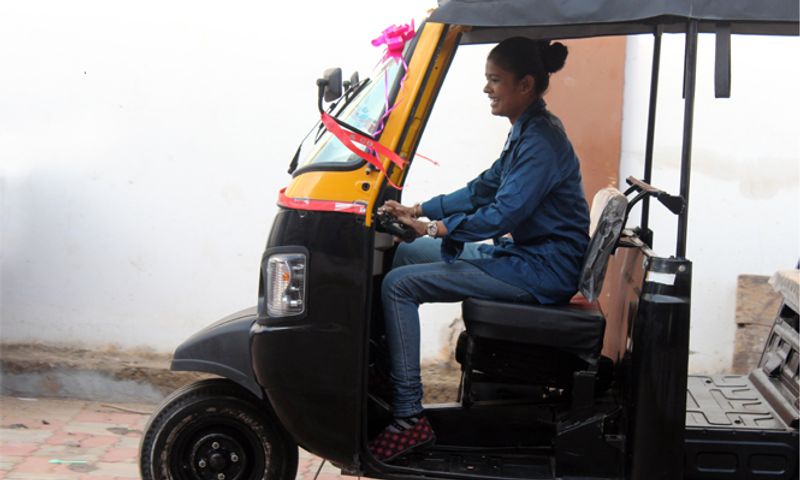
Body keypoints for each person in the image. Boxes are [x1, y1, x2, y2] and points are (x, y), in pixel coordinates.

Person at [368, 37, 591, 462]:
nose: (487, 89)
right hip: (524, 259)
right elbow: (484, 187)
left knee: (399, 285)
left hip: (540, 271)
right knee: (405, 256)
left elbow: (504, 211)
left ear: (525, 84)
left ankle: (408, 417)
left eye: (494, 80)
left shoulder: (541, 141)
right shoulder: (528, 129)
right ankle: (388, 374)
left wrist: (435, 227)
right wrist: (419, 208)